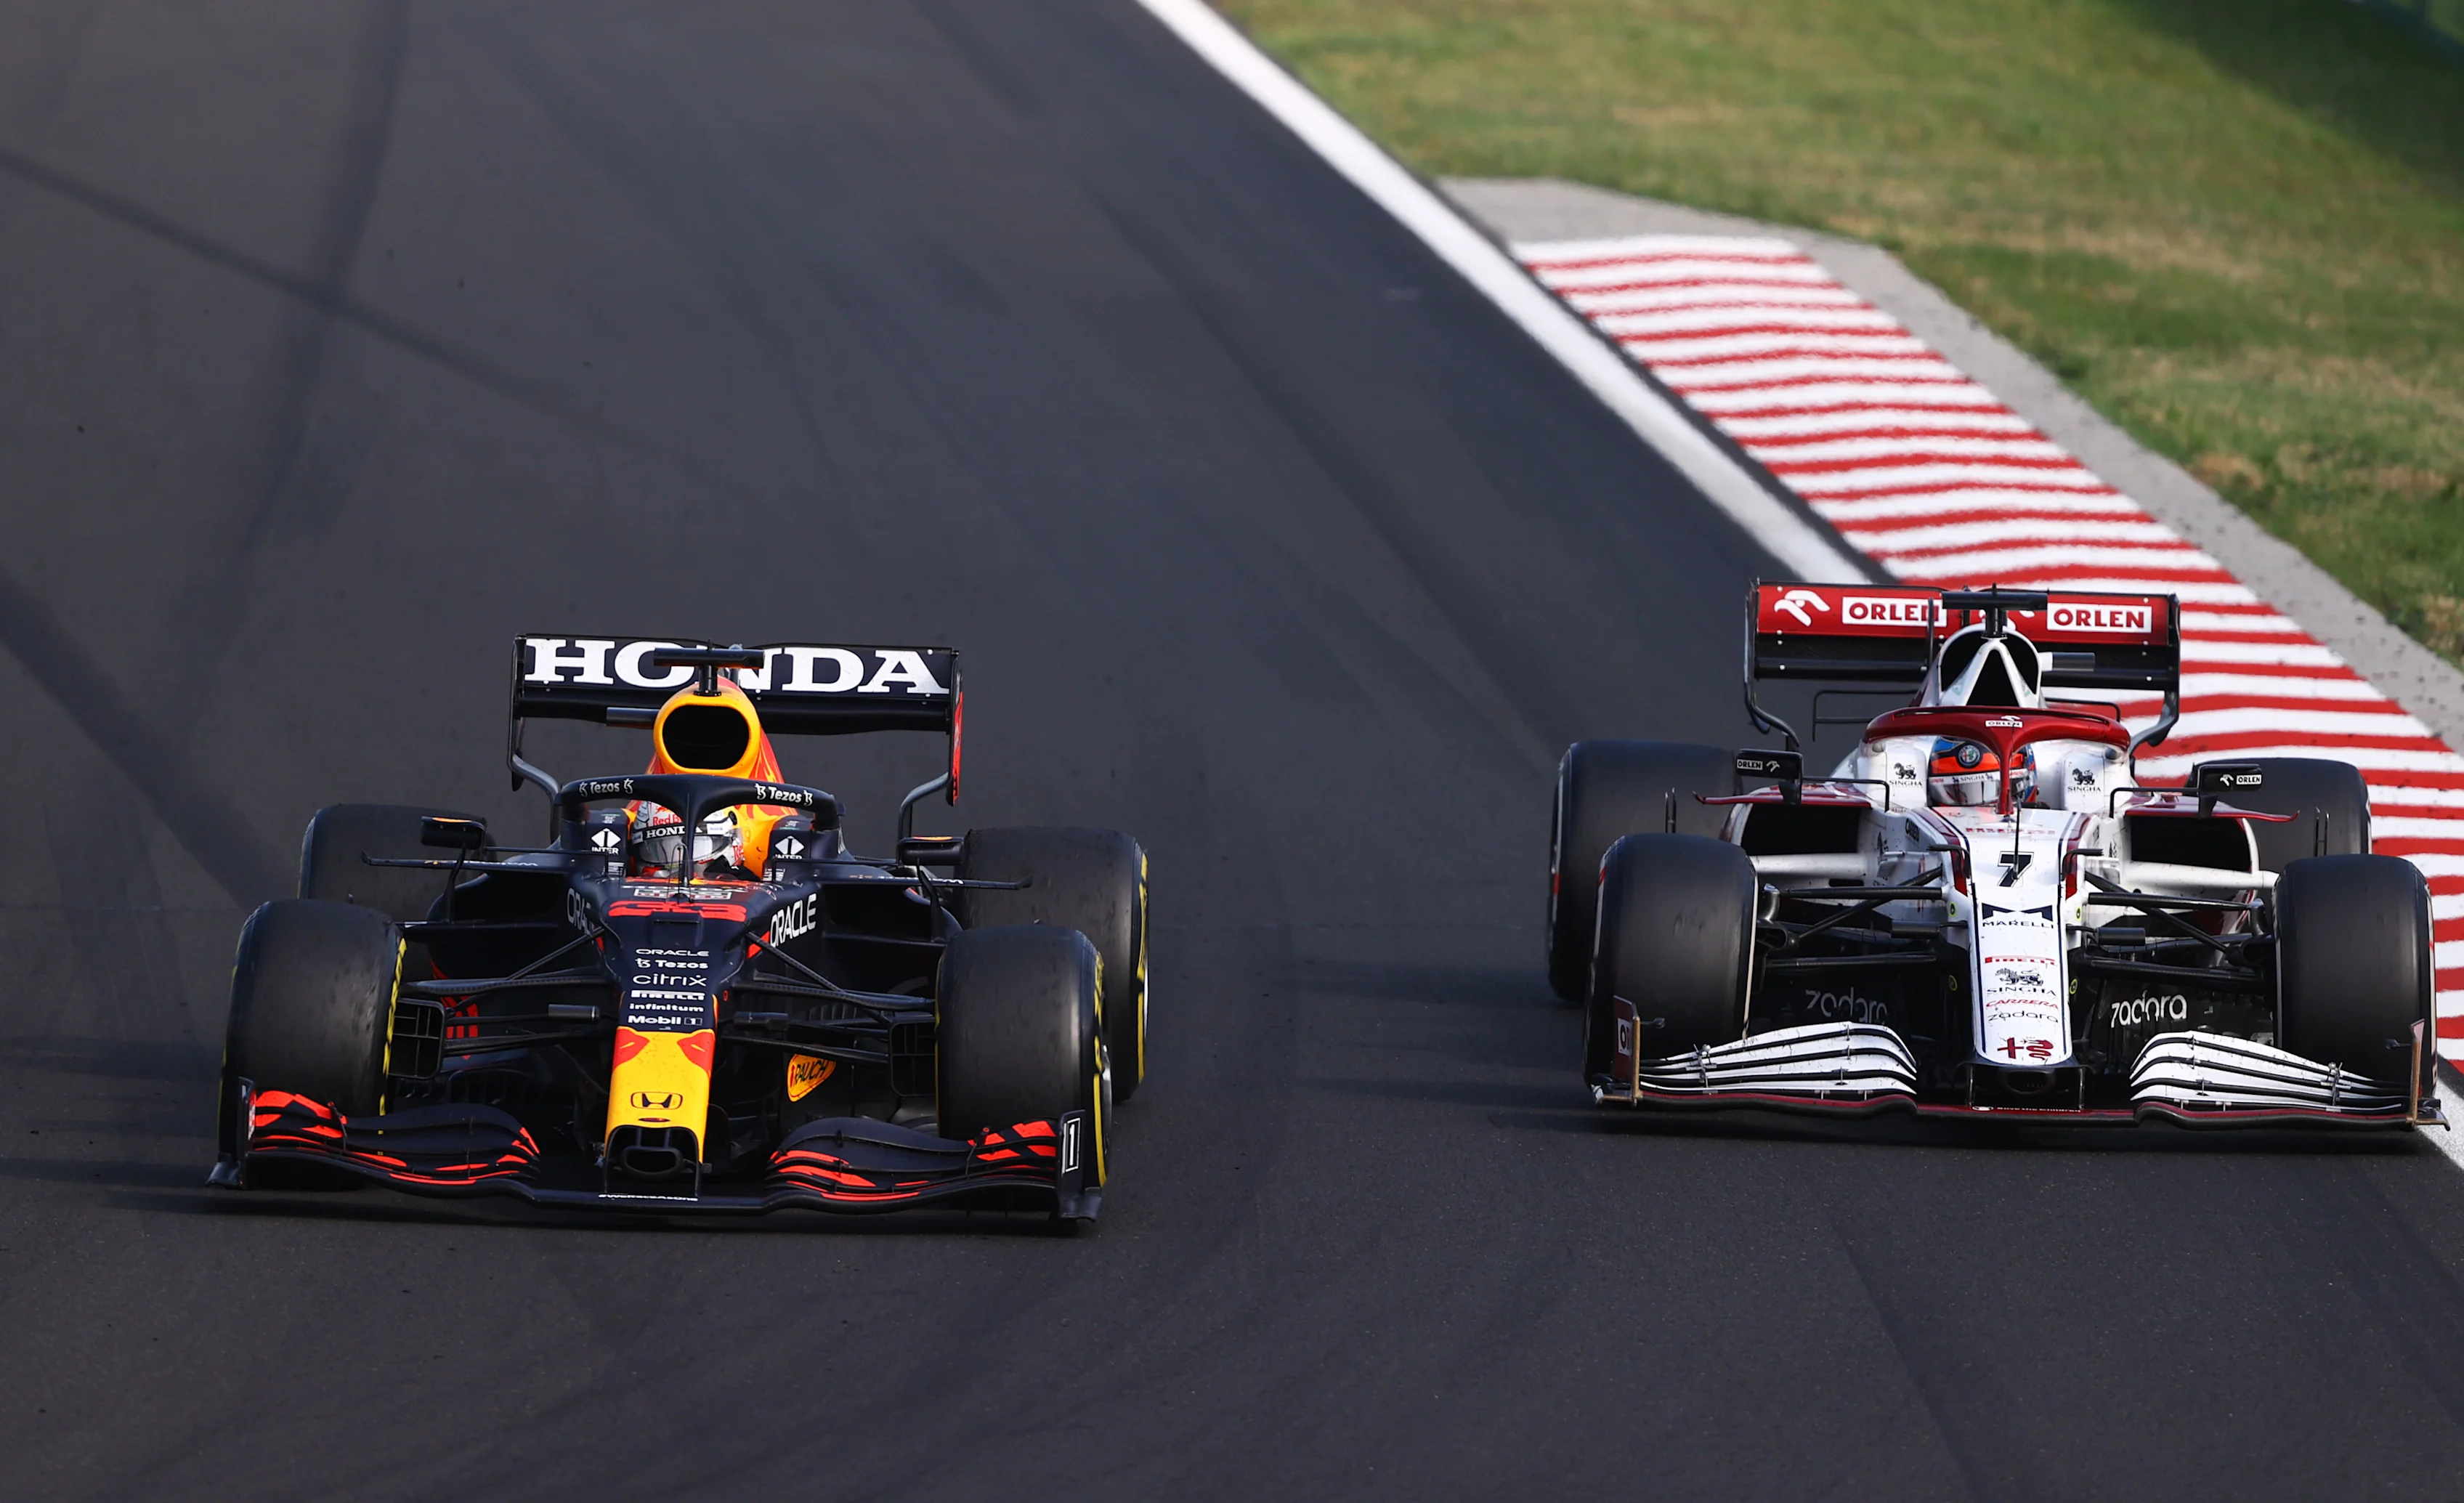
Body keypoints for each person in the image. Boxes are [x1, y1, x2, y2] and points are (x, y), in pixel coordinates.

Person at [625, 673, 793, 880]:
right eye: (662, 850)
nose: (682, 873)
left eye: (700, 847)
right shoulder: (633, 824)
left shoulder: (772, 832)